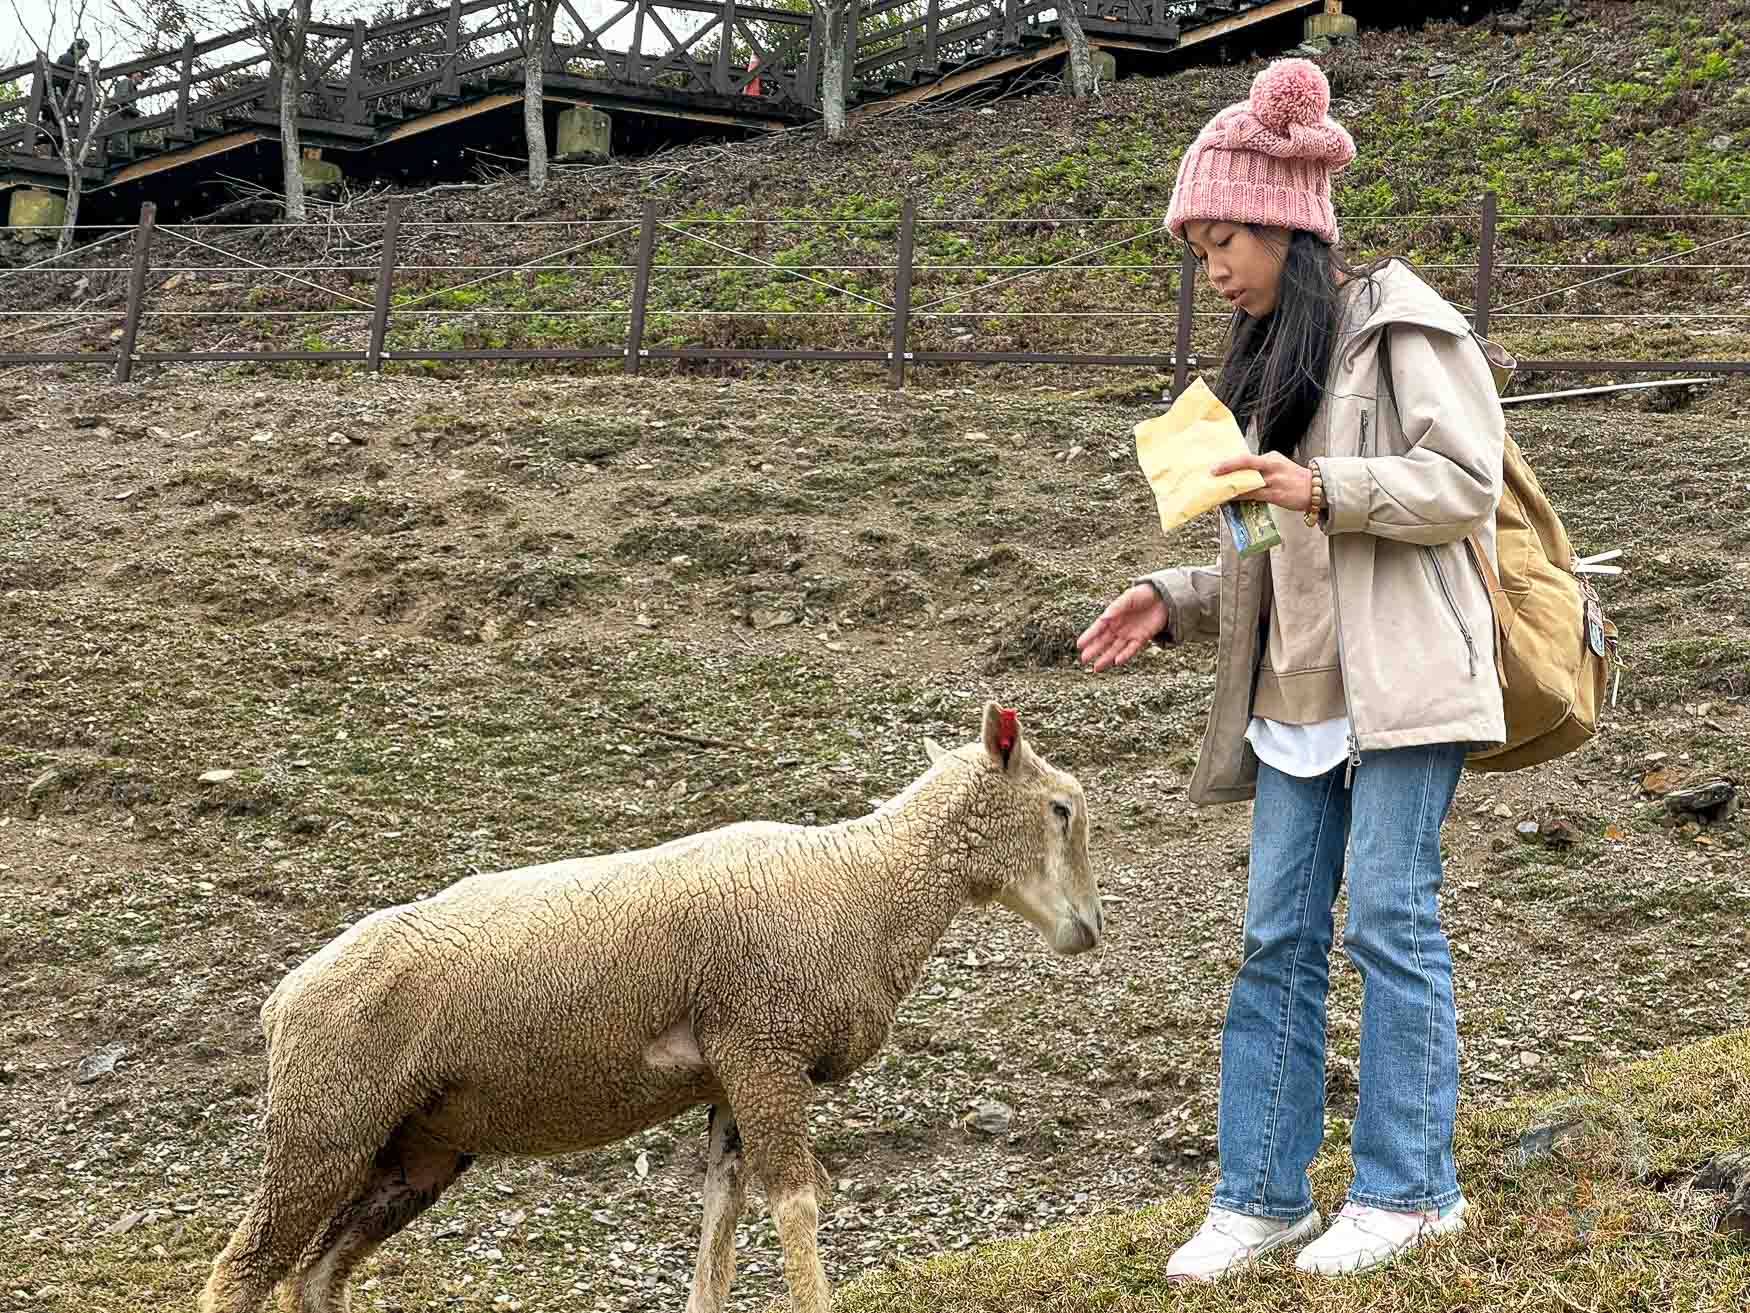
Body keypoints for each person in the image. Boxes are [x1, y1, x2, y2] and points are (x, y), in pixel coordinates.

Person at [1077, 57, 1506, 1281]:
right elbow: (1272, 558)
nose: (1213, 266)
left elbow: (1465, 485)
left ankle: (1411, 1191)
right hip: (1292, 701)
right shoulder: (1259, 372)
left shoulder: (1406, 328)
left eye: (1224, 239)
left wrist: (1331, 485)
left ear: (1289, 224)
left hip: (1404, 691)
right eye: (1200, 246)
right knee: (1273, 937)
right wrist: (1173, 596)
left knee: (1387, 919)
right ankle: (1260, 1194)